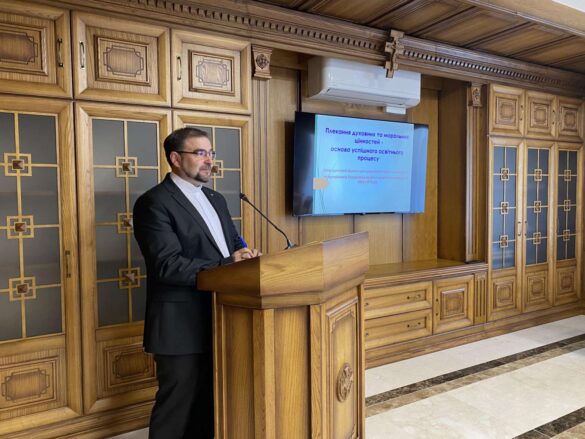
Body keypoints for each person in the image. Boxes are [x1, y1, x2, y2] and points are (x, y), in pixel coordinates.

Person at [133, 127, 260, 439]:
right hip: (180, 323)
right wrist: (227, 264)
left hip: (222, 316)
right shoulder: (154, 202)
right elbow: (167, 265)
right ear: (176, 159)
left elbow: (232, 244)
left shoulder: (216, 199)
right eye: (200, 153)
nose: (209, 160)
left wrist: (245, 256)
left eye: (211, 153)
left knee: (209, 404)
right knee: (177, 407)